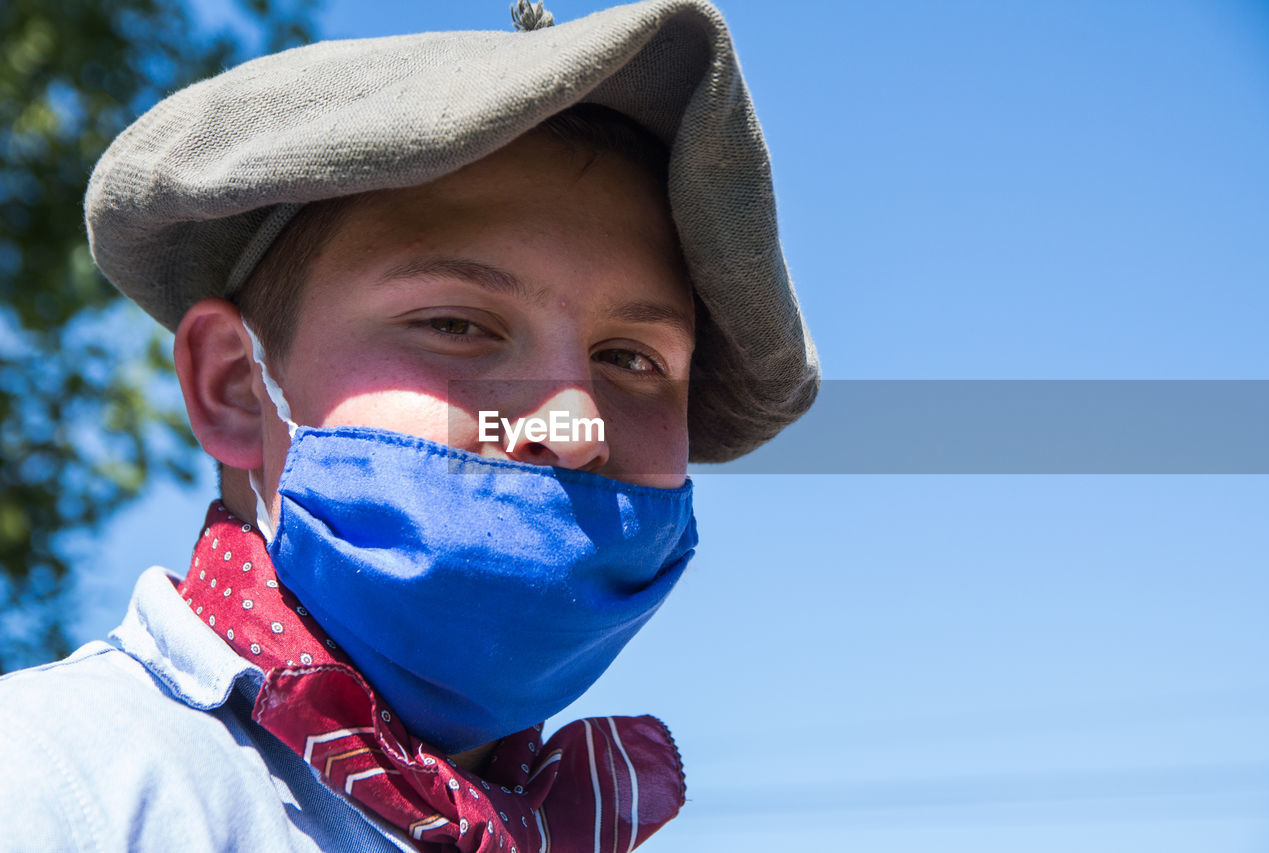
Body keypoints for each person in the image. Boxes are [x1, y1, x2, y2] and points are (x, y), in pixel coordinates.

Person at [0, 0, 818, 849]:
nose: (572, 427)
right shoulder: (56, 792)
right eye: (457, 325)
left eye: (631, 358)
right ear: (236, 384)